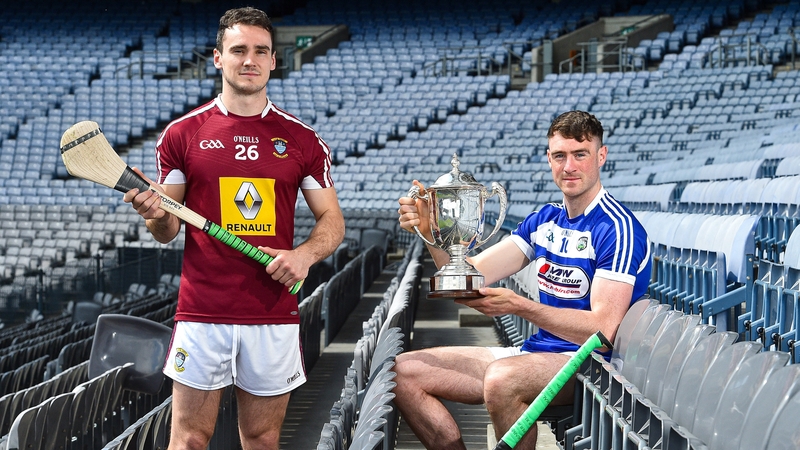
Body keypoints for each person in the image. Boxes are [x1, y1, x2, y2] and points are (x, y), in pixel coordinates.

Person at [123, 7, 345, 449]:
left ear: (273, 60)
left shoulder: (302, 140)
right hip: (202, 313)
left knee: (262, 439)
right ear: (218, 58)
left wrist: (303, 255)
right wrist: (153, 211)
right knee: (188, 438)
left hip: (272, 313)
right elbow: (167, 229)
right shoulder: (182, 135)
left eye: (260, 51)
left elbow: (332, 220)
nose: (250, 59)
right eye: (238, 49)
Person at [394, 110, 651, 449]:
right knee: (403, 372)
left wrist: (520, 307)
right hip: (535, 356)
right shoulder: (544, 219)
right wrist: (432, 232)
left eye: (580, 155)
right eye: (559, 155)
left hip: (590, 368)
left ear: (600, 156)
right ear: (549, 159)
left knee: (502, 380)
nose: (569, 166)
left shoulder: (617, 229)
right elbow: (471, 275)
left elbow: (602, 333)